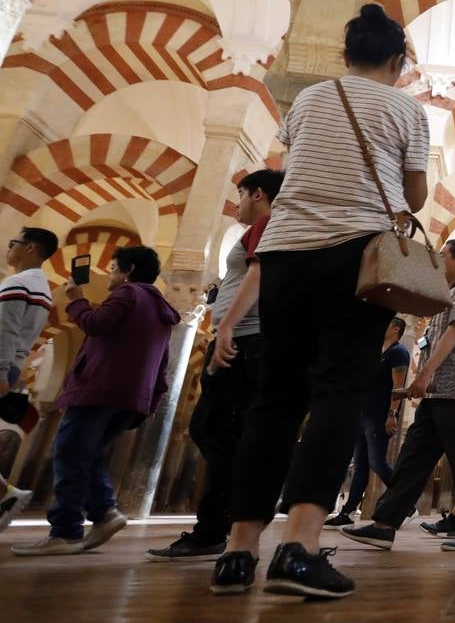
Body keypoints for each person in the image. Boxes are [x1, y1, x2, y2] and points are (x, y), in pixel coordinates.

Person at [214, 4, 429, 600]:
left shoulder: (309, 99)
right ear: (397, 60)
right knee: (338, 391)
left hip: (284, 253)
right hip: (355, 255)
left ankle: (237, 551)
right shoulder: (407, 107)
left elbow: (292, 163)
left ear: (345, 56)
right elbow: (414, 194)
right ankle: (300, 546)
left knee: (275, 400)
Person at [149, 169, 283, 562]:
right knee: (225, 432)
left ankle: (224, 521)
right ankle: (232, 517)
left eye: (241, 194)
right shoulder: (264, 227)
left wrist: (225, 326)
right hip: (247, 338)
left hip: (243, 339)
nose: (238, 202)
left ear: (257, 194)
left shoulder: (264, 224)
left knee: (215, 429)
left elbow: (257, 273)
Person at [13, 246, 177, 555]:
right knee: (88, 454)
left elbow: (97, 324)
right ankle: (104, 512)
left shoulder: (128, 294)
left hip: (98, 388)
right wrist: (149, 402)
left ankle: (66, 531)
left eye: (115, 268)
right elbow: (163, 363)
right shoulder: (161, 310)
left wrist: (77, 301)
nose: (112, 274)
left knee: (70, 451)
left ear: (128, 271)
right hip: (131, 397)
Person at [341, 239, 455, 552]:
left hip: (453, 391)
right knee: (413, 457)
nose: (439, 262)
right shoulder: (448, 295)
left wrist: (424, 375)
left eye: (443, 257)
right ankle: (385, 524)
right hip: (437, 393)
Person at [324, 317, 408, 528]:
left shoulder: (399, 353)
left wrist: (392, 414)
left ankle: (406, 502)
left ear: (396, 329)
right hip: (363, 415)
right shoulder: (378, 351)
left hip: (379, 415)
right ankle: (347, 512)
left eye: (386, 324)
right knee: (361, 465)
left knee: (377, 463)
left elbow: (397, 388)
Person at [0, 226, 58, 532]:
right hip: (14, 362)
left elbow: (6, 330)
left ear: (31, 247)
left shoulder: (20, 281)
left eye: (13, 242)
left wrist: (1, 371)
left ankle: (7, 494)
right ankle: (6, 494)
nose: (9, 248)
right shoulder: (41, 285)